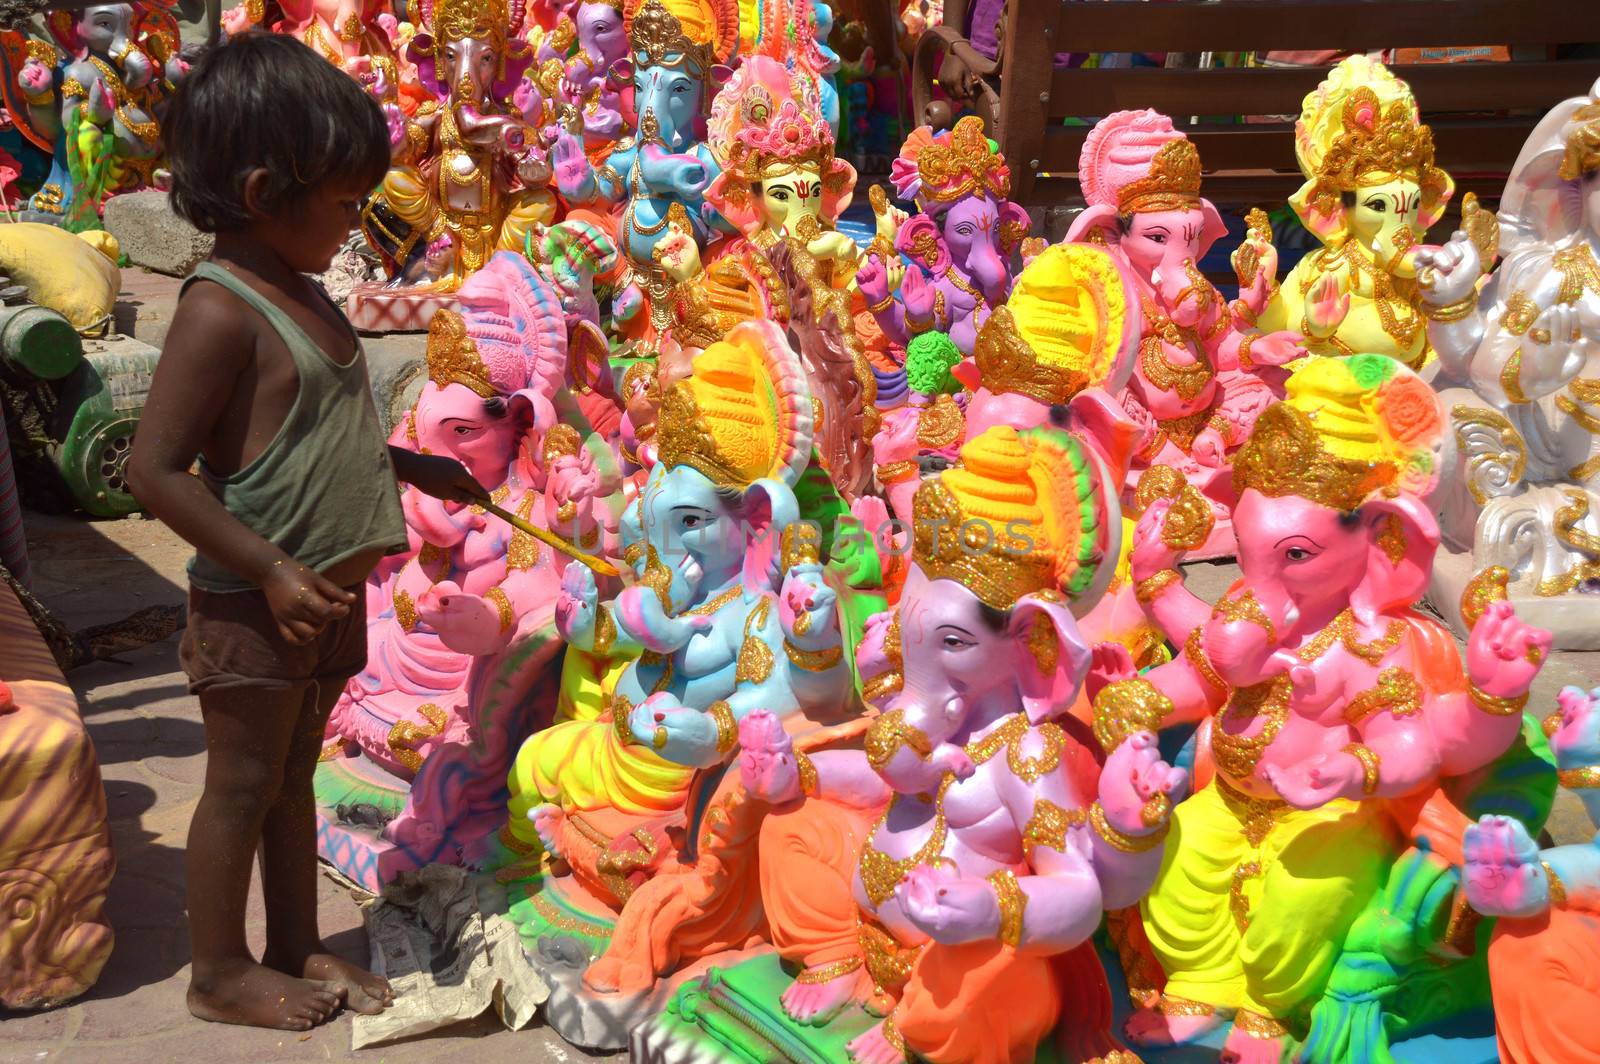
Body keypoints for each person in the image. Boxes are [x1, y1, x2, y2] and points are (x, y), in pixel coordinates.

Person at [127, 32, 488, 1031]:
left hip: (322, 596)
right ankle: (217, 970)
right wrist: (274, 568)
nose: (352, 221)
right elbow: (150, 469)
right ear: (260, 189)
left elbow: (321, 429)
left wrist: (412, 465)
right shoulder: (219, 311)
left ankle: (292, 942)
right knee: (241, 784)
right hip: (255, 602)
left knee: (292, 781)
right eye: (339, 201)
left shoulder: (306, 290)